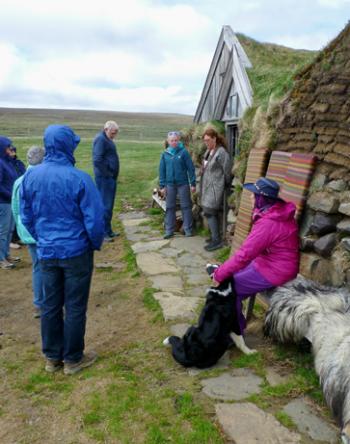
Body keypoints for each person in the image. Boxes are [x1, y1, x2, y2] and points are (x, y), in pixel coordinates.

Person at [20, 125, 105, 375]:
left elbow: (26, 216)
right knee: (75, 305)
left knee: (50, 305)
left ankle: (52, 358)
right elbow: (95, 220)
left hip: (47, 251)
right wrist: (93, 243)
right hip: (76, 251)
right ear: (68, 145)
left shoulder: (31, 177)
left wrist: (42, 238)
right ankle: (72, 359)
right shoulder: (79, 178)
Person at [211, 177, 300, 337]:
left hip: (276, 270)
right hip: (270, 263)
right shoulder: (274, 212)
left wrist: (220, 274)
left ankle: (235, 332)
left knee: (230, 289)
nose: (251, 197)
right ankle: (233, 325)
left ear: (262, 198)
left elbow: (244, 254)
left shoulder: (269, 223)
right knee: (230, 279)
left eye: (254, 194)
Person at [12, 146, 45, 318]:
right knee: (46, 267)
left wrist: (20, 228)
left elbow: (15, 209)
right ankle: (44, 302)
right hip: (39, 231)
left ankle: (39, 302)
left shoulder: (18, 181)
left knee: (37, 266)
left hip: (25, 230)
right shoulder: (41, 180)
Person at [159, 131, 196, 238]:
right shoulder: (165, 154)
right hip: (170, 185)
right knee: (170, 207)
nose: (174, 142)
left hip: (183, 184)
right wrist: (162, 186)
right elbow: (162, 171)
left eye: (175, 140)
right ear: (168, 141)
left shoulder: (183, 152)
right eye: (172, 141)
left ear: (178, 140)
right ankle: (169, 230)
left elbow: (190, 168)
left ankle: (188, 229)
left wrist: (192, 183)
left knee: (186, 206)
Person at [200, 128, 232, 251]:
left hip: (215, 187)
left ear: (214, 138)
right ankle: (214, 236)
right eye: (205, 141)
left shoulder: (221, 152)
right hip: (207, 186)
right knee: (208, 211)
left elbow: (227, 169)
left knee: (209, 211)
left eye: (208, 140)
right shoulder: (209, 151)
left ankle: (217, 241)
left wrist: (226, 183)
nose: (206, 143)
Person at [92, 120, 120, 242]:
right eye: (113, 133)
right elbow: (97, 160)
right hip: (104, 179)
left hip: (109, 178)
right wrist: (108, 174)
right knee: (105, 206)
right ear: (106, 129)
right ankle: (103, 233)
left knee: (109, 205)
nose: (114, 135)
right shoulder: (101, 139)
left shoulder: (106, 139)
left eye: (116, 133)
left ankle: (108, 230)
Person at [0, 136, 20, 269]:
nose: (10, 149)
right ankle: (1, 259)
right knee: (3, 231)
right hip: (3, 202)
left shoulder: (8, 162)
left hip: (10, 201)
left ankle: (6, 255)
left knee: (9, 230)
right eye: (8, 146)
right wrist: (11, 195)